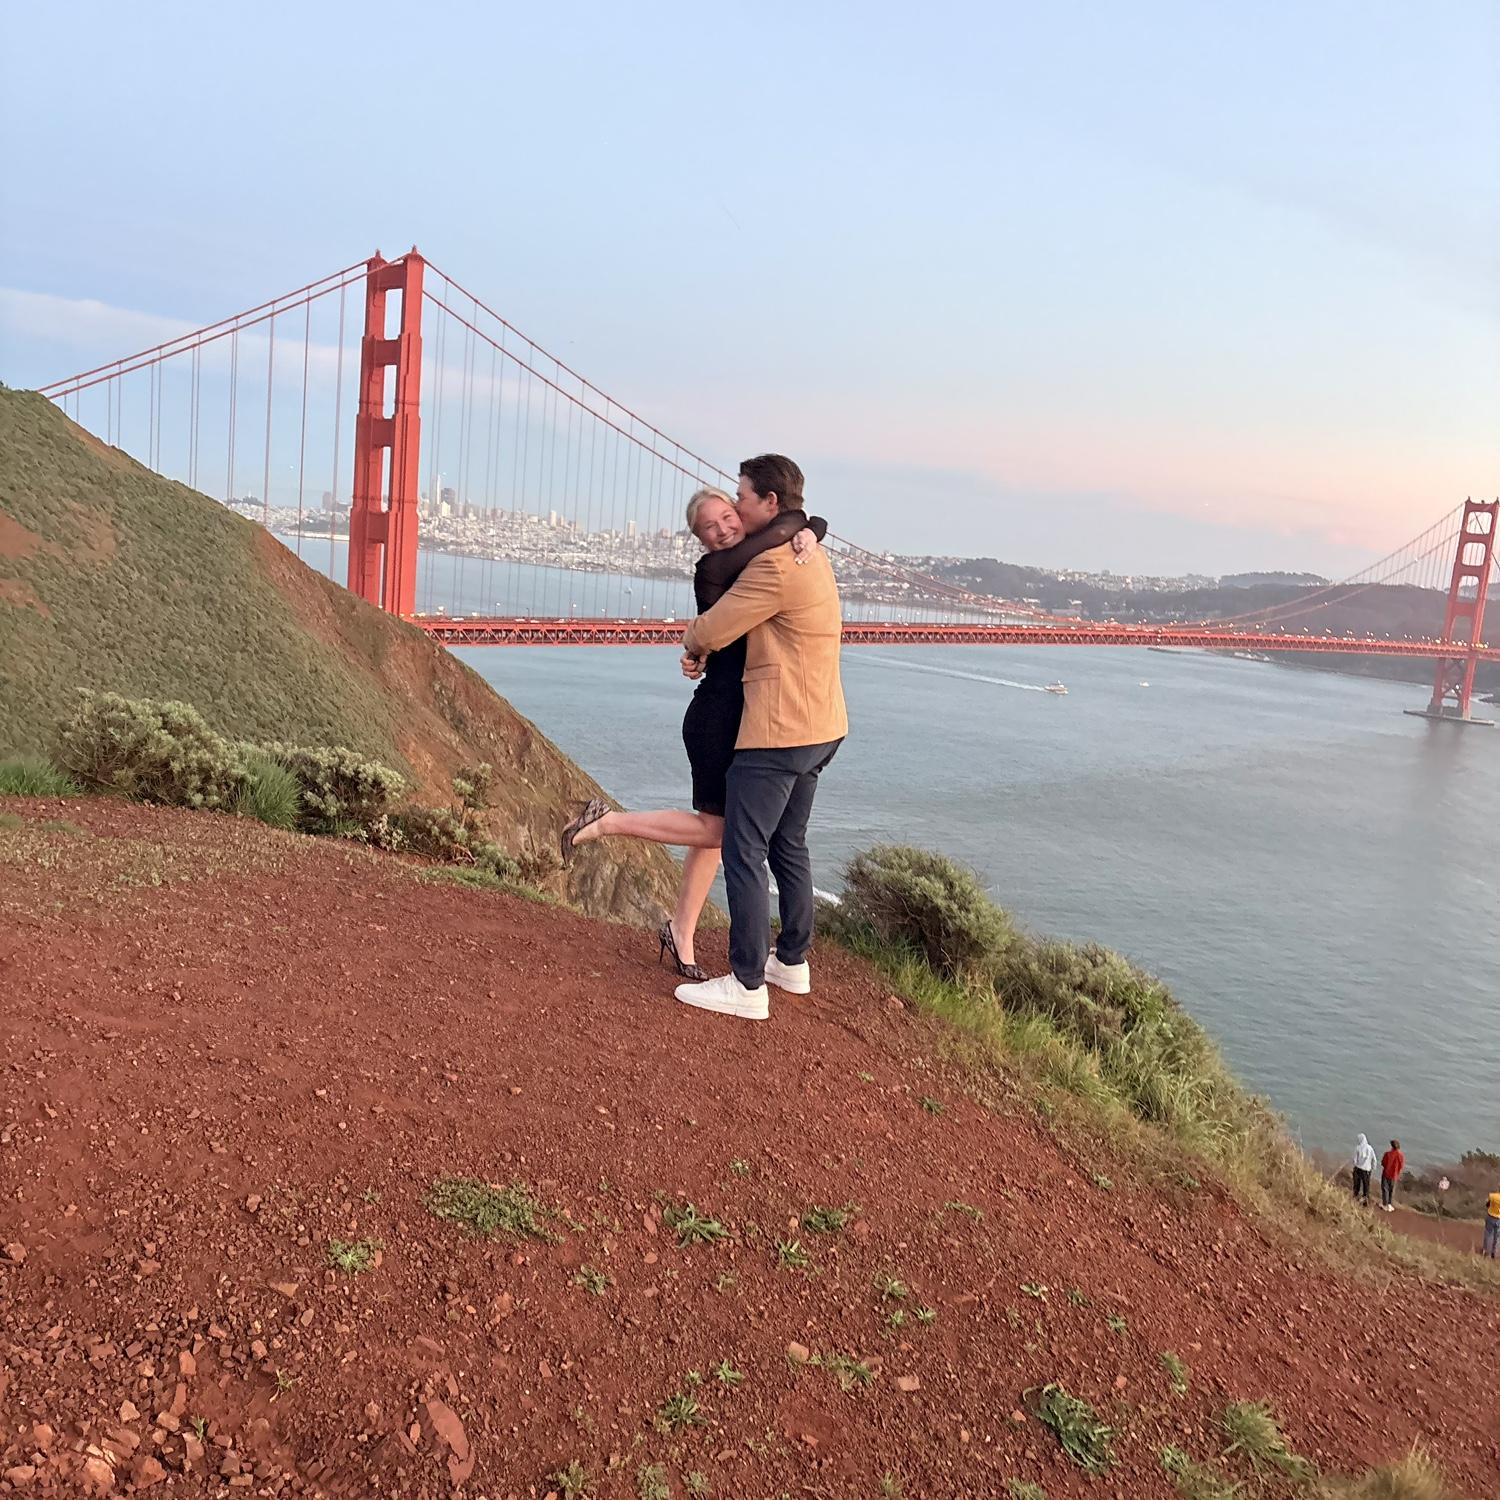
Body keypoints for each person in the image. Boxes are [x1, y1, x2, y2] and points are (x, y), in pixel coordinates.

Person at [560, 487, 825, 977]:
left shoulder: (757, 559)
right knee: (720, 831)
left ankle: (681, 932)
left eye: (727, 516)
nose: (723, 529)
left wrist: (811, 528)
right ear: (700, 539)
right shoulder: (717, 568)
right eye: (709, 527)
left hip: (745, 717)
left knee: (714, 831)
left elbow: (777, 535)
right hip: (718, 718)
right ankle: (608, 822)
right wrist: (809, 526)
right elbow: (777, 532)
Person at [672, 453, 847, 1022]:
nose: (736, 507)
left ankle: (747, 984)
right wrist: (812, 528)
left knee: (743, 850)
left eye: (741, 497)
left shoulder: (774, 565)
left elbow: (712, 627)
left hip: (778, 730)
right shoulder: (809, 553)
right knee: (788, 842)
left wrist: (692, 644)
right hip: (823, 725)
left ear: (769, 503)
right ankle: (791, 961)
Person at [1379, 1139, 1404, 1212]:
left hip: (1386, 1173)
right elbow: (1401, 1165)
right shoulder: (1401, 1155)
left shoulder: (1387, 1154)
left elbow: (1383, 1163)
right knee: (1392, 1190)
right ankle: (1389, 1204)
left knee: (1385, 1188)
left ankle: (1385, 1204)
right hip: (1394, 1175)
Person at [1352, 1134, 1376, 1205]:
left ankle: (1355, 1197)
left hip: (1358, 1169)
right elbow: (1374, 1159)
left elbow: (1354, 1160)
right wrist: (1373, 1167)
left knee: (1357, 1184)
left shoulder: (1358, 1148)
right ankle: (1365, 1198)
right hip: (1367, 1170)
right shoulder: (1370, 1148)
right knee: (1366, 1185)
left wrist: (1355, 1165)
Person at [1484, 1189, 1500, 1260]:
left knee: (1489, 1234)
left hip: (1491, 1216)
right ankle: (1495, 1252)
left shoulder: (1492, 1196)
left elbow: (1487, 1205)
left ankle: (1487, 1252)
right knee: (1497, 1236)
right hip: (1499, 1219)